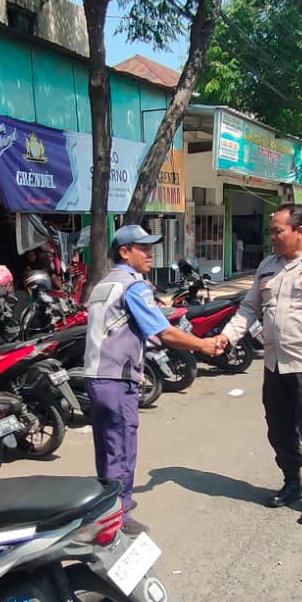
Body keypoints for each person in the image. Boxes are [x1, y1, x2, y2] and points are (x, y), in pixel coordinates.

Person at [215, 204, 302, 526]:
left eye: (278, 230)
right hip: (275, 364)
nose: (273, 236)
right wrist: (227, 337)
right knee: (279, 428)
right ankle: (292, 481)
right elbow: (249, 309)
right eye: (272, 231)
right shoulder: (267, 266)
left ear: (299, 231)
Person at [85, 225, 219, 534]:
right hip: (117, 379)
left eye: (150, 247)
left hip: (96, 377)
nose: (150, 254)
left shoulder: (104, 284)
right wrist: (203, 345)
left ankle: (107, 505)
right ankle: (117, 521)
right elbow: (163, 332)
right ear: (124, 252)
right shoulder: (134, 285)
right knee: (122, 447)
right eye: (143, 248)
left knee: (106, 447)